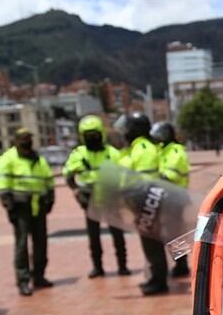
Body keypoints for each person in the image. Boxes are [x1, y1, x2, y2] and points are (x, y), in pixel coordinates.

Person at [63, 115, 130, 278]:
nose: (92, 138)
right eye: (88, 135)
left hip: (111, 197)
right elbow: (68, 174)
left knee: (117, 234)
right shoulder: (78, 154)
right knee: (93, 236)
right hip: (90, 198)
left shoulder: (112, 153)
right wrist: (76, 190)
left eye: (95, 134)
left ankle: (122, 265)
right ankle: (97, 267)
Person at [0, 128, 55, 296]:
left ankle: (39, 275)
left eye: (29, 138)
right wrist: (8, 205)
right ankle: (23, 279)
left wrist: (50, 199)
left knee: (41, 242)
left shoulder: (39, 159)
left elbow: (48, 180)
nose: (27, 141)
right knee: (22, 244)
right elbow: (2, 184)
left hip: (38, 205)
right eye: (24, 139)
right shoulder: (7, 159)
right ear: (16, 140)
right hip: (20, 206)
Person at [115, 112, 167, 296]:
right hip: (141, 202)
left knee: (152, 242)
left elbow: (143, 179)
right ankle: (155, 277)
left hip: (145, 202)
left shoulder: (143, 148)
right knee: (149, 242)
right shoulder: (136, 147)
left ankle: (159, 280)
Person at [150, 121, 190, 278]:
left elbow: (172, 174)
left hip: (175, 199)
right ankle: (179, 263)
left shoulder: (175, 151)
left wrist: (155, 178)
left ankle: (182, 264)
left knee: (176, 233)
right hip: (166, 198)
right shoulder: (164, 150)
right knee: (170, 233)